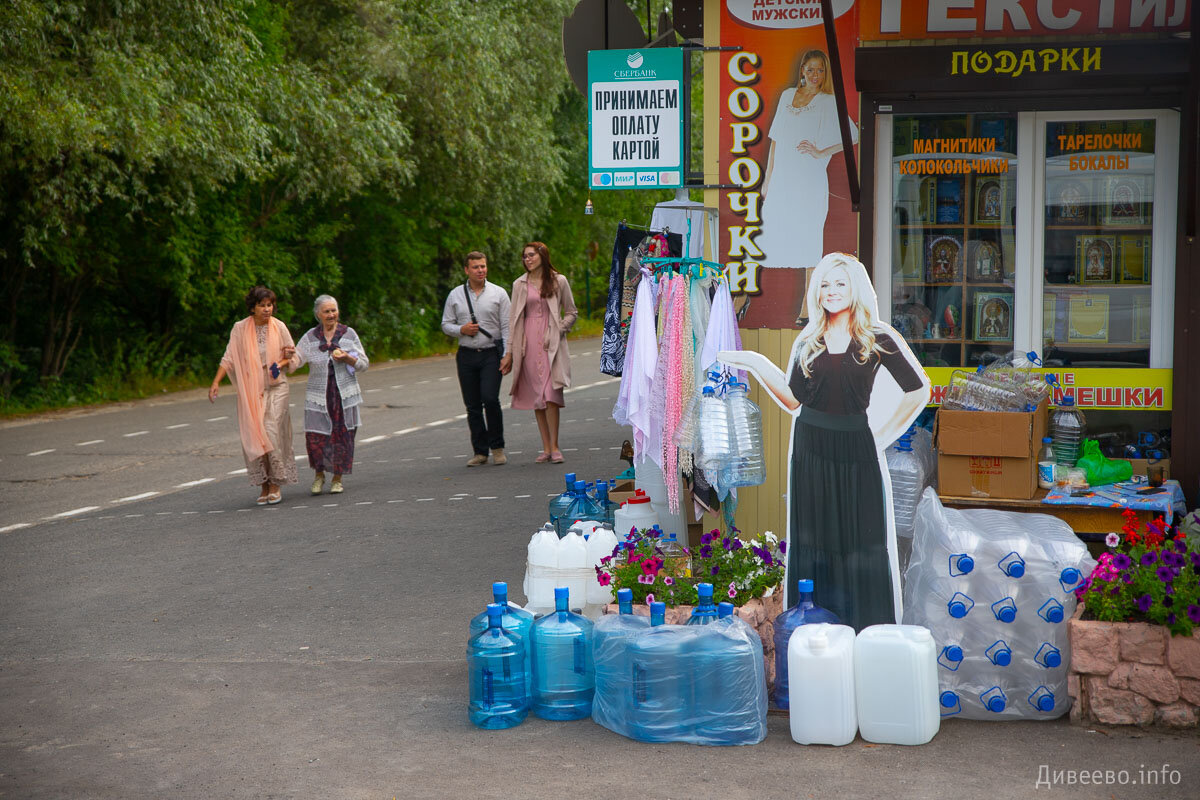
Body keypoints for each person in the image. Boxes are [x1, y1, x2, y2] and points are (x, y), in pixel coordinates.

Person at [719, 253, 930, 630]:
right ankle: (817, 633)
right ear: (817, 293)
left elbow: (916, 391)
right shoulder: (809, 340)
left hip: (856, 449)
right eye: (825, 285)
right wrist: (751, 359)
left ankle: (865, 634)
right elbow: (792, 399)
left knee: (860, 542)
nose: (832, 292)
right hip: (810, 448)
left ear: (855, 289)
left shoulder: (875, 337)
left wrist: (880, 435)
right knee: (814, 541)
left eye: (840, 284)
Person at [758, 49, 859, 270]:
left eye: (820, 70)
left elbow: (853, 135)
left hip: (810, 182)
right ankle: (741, 300)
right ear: (802, 69)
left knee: (808, 242)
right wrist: (768, 180)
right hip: (783, 179)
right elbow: (775, 139)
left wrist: (822, 152)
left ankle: (807, 304)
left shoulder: (828, 101)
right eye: (811, 69)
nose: (815, 75)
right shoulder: (787, 95)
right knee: (767, 239)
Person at [209, 286, 300, 505]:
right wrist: (216, 381)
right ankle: (264, 484)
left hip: (276, 387)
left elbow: (293, 355)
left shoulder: (279, 327)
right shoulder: (240, 329)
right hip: (252, 390)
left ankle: (277, 482)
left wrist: (282, 361)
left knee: (271, 431)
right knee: (255, 433)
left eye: (270, 305)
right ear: (253, 307)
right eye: (262, 305)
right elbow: (229, 357)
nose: (267, 309)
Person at [500, 242, 577, 464]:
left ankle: (555, 446)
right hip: (528, 344)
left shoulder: (559, 280)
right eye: (524, 256)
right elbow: (513, 319)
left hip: (551, 342)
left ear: (542, 255)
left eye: (531, 255)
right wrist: (510, 353)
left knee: (551, 395)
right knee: (538, 397)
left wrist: (559, 329)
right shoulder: (519, 284)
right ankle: (545, 447)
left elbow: (572, 312)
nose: (528, 259)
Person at [442, 251, 511, 467]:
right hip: (466, 355)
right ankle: (480, 452)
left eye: (483, 266)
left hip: (491, 353)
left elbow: (507, 325)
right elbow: (446, 324)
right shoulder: (455, 295)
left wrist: (507, 354)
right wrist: (461, 329)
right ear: (466, 270)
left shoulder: (498, 293)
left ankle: (497, 448)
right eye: (476, 267)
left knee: (490, 399)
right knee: (472, 405)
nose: (480, 270)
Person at [295, 295, 369, 494]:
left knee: (342, 436)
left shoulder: (348, 334)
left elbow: (364, 364)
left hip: (343, 395)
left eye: (333, 310)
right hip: (319, 395)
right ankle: (319, 476)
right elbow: (297, 360)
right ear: (318, 314)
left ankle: (337, 478)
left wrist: (347, 358)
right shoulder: (310, 337)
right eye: (326, 311)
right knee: (316, 437)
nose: (331, 315)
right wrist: (287, 357)